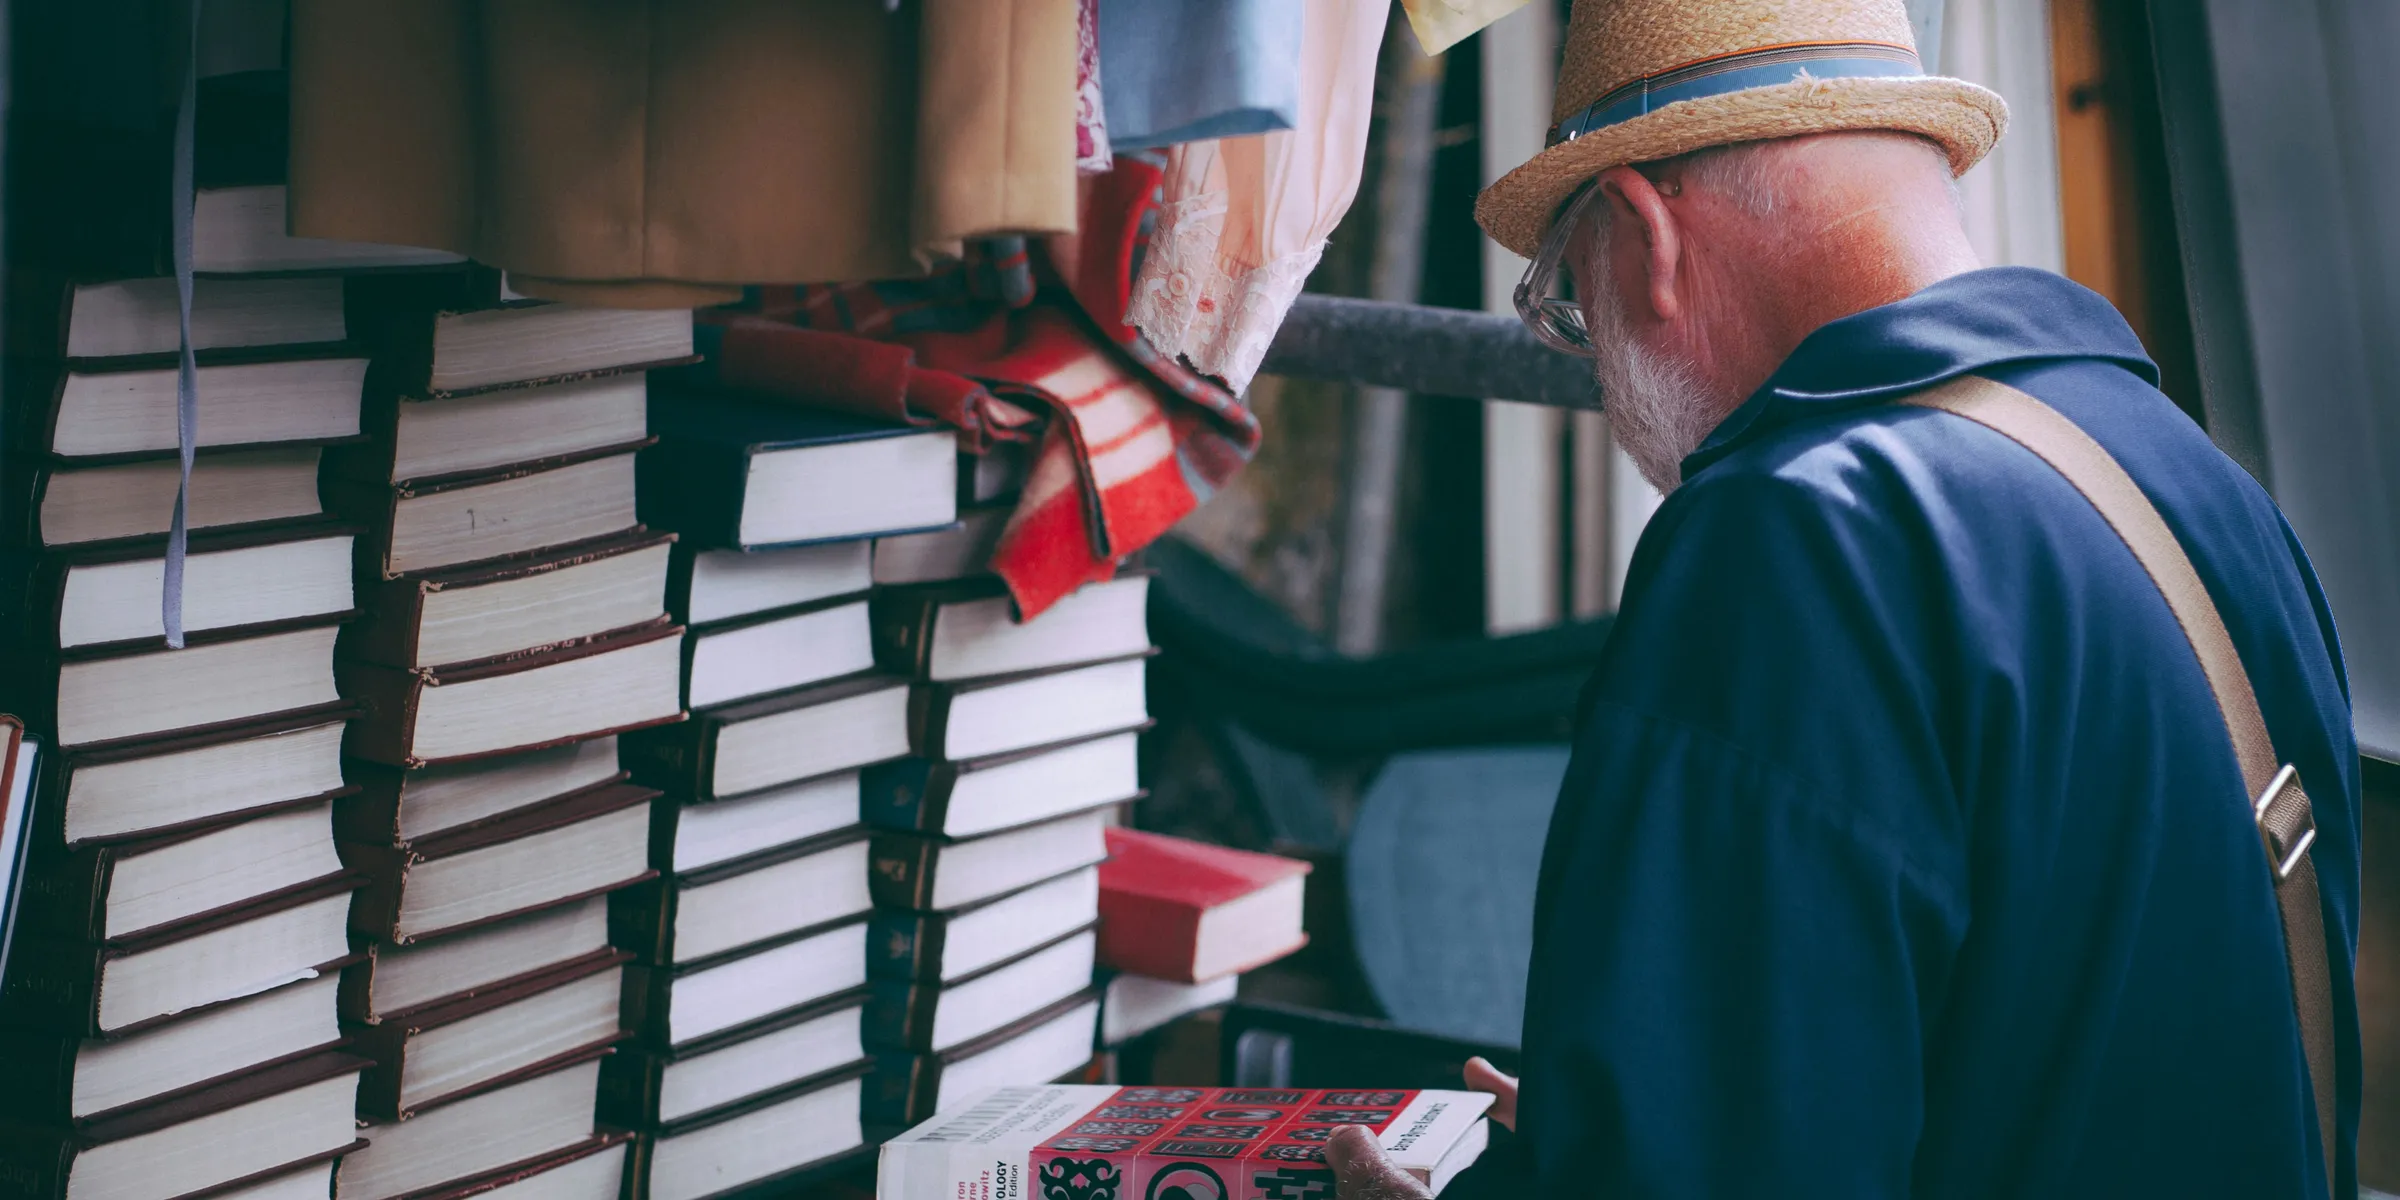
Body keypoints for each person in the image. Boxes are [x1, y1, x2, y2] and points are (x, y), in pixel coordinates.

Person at [1326, 0, 2360, 1196]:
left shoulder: (1795, 538)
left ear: (1640, 232)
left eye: (1569, 301)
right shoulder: (2206, 490)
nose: (1593, 359)